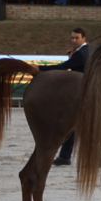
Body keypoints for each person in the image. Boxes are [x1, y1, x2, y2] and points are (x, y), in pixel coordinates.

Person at [35, 28, 89, 166]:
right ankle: (66, 157)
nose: (74, 40)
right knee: (75, 126)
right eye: (72, 38)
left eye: (77, 38)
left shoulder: (80, 54)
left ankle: (65, 157)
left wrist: (39, 68)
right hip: (82, 92)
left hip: (78, 93)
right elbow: (74, 66)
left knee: (72, 125)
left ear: (84, 39)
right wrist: (71, 58)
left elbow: (64, 68)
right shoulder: (86, 51)